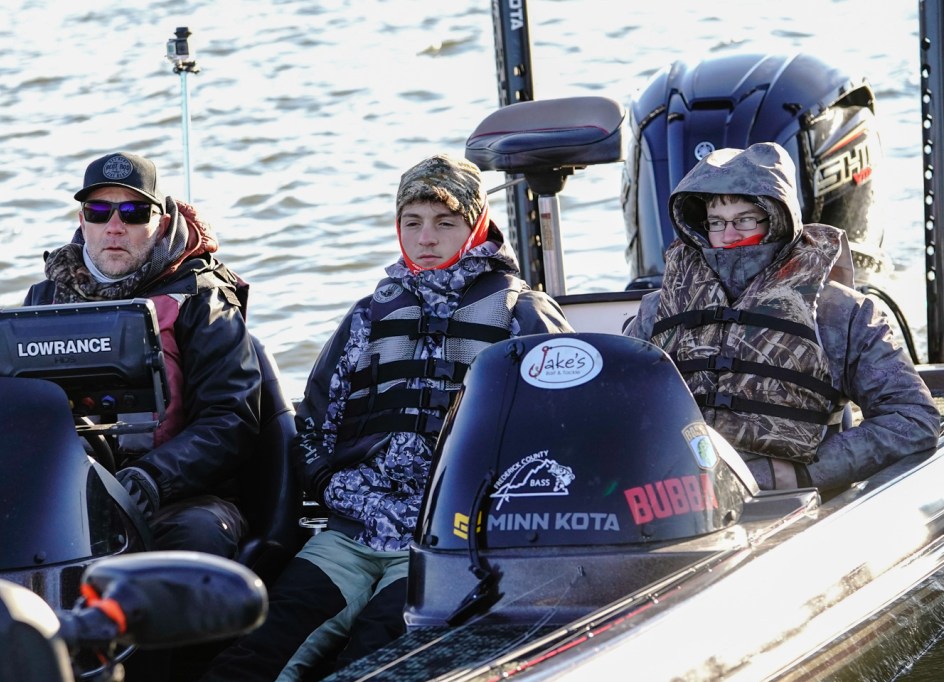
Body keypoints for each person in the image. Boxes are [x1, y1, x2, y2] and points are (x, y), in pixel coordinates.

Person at [201, 153, 573, 682]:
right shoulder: (367, 314)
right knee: (253, 655)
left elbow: (563, 431)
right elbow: (315, 422)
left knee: (373, 660)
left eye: (446, 222)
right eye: (412, 222)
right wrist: (328, 483)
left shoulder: (524, 315)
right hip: (349, 533)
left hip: (449, 538)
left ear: (477, 226)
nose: (426, 238)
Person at [624, 141, 940, 493]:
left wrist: (804, 474)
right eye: (716, 222)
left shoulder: (843, 313)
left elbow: (913, 419)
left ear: (777, 220)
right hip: (673, 499)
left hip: (789, 502)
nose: (728, 235)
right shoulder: (657, 309)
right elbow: (618, 407)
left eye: (744, 220)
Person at [25, 151, 263, 559]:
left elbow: (231, 418)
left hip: (181, 496)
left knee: (197, 534)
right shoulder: (43, 298)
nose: (115, 226)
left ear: (161, 223)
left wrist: (154, 477)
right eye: (99, 211)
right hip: (70, 491)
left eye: (134, 213)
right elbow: (22, 412)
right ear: (82, 220)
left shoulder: (202, 298)